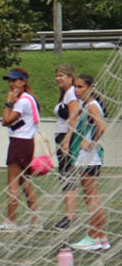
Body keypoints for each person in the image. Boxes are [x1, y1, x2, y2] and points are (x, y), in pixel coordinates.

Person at [0, 68, 40, 232]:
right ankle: (35, 219)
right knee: (24, 182)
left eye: (15, 80)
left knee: (13, 182)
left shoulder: (22, 101)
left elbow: (6, 121)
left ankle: (11, 221)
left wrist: (8, 103)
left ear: (23, 81)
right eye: (10, 81)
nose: (11, 84)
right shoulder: (30, 98)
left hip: (19, 142)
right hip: (26, 142)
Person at [67, 74, 109, 251]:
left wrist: (92, 143)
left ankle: (93, 236)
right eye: (75, 87)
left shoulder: (92, 106)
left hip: (89, 157)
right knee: (92, 197)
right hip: (88, 157)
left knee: (91, 197)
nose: (77, 90)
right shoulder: (87, 105)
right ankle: (101, 237)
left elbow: (102, 127)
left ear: (90, 88)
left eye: (81, 87)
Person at [51, 63, 80, 231]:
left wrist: (67, 141)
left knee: (68, 176)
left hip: (67, 139)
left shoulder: (71, 94)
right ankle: (70, 214)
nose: (58, 79)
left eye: (62, 75)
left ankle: (70, 216)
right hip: (62, 138)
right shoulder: (65, 94)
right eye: (57, 75)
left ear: (71, 77)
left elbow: (74, 118)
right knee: (64, 176)